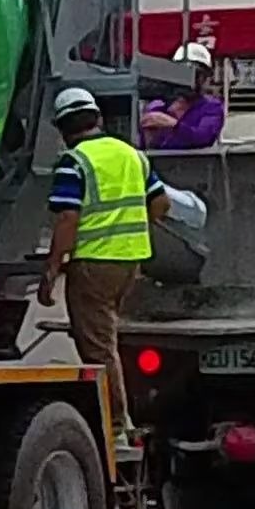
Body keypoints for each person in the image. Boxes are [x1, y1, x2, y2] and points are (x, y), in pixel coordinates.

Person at [39, 85, 161, 432]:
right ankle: (119, 417)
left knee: (97, 348)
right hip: (130, 263)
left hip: (93, 265)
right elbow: (161, 204)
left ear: (63, 129)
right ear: (98, 118)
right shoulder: (131, 155)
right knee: (108, 339)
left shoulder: (74, 162)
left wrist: (51, 269)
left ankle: (117, 425)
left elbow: (67, 219)